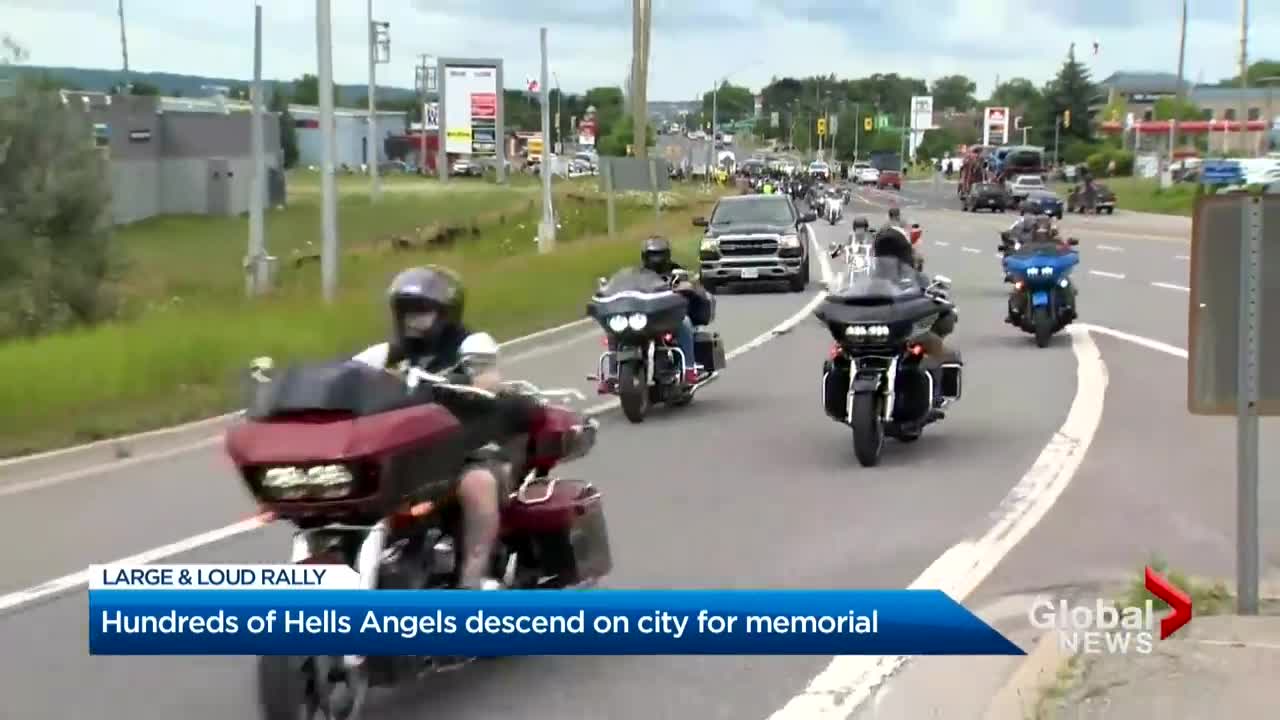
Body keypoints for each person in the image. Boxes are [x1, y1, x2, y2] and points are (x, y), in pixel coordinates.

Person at [351, 266, 528, 590]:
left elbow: (488, 379)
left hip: (468, 446)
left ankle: (473, 579)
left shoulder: (471, 341)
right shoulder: (392, 351)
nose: (413, 321)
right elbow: (351, 370)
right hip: (413, 450)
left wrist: (465, 382)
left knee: (478, 485)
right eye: (406, 313)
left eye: (422, 313)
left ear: (445, 313)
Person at [870, 225, 959, 367]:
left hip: (897, 334)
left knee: (947, 357)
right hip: (872, 334)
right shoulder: (862, 277)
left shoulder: (915, 277)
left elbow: (934, 302)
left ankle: (938, 385)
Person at [640, 236, 705, 385]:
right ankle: (612, 371)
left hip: (667, 316)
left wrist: (685, 285)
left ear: (667, 255)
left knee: (685, 323)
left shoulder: (676, 270)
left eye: (659, 254)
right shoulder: (639, 274)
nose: (656, 259)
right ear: (645, 256)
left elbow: (689, 283)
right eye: (652, 255)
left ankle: (689, 368)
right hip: (644, 316)